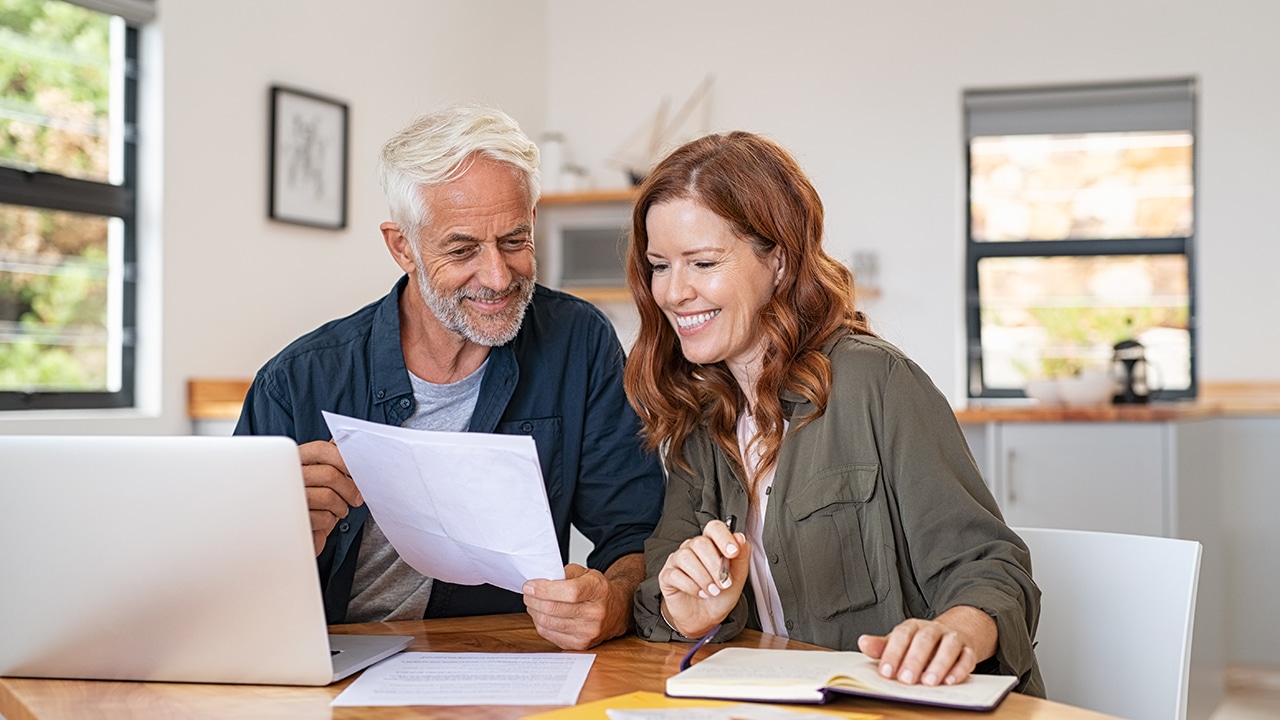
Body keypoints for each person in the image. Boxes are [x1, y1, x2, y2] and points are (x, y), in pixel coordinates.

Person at [624, 131, 1044, 694]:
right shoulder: (702, 418)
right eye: (659, 265)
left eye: (702, 263)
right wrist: (689, 611)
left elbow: (992, 569)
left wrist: (955, 632)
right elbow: (658, 589)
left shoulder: (877, 383)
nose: (673, 292)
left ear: (778, 260)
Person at [235, 103, 664, 651]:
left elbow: (635, 533)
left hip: (496, 658)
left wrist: (613, 601)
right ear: (401, 247)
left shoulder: (578, 342)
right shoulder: (297, 380)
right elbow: (223, 577)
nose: (497, 276)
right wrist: (279, 532)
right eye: (462, 249)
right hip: (328, 659)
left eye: (515, 240)